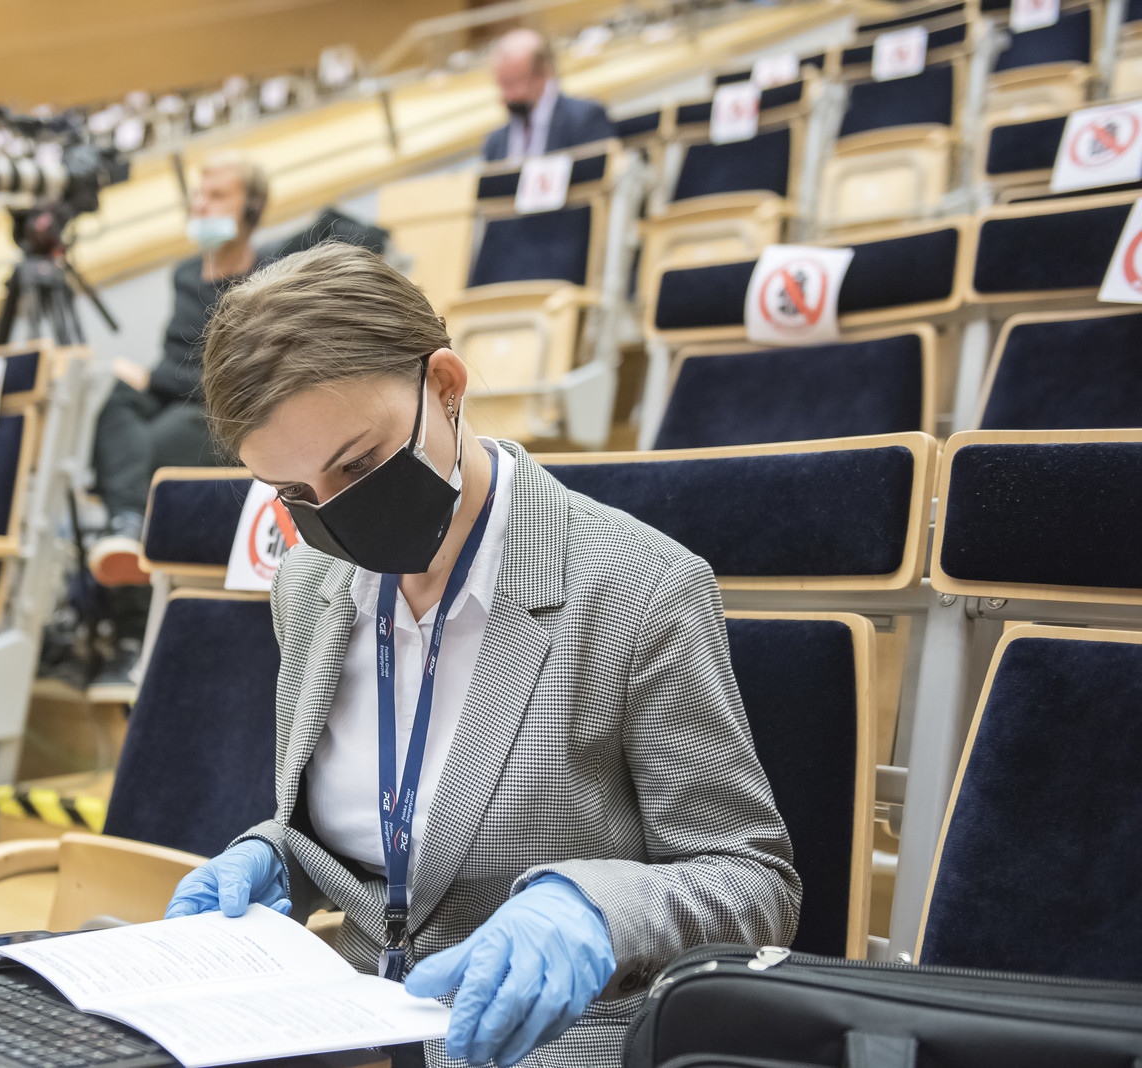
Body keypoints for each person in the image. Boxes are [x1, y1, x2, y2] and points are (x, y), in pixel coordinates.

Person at [165, 243, 799, 1068]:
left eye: (359, 464)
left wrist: (592, 910)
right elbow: (384, 841)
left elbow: (753, 882)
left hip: (542, 1046)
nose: (336, 517)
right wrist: (277, 855)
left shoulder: (640, 587)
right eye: (294, 495)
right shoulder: (309, 584)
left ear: (446, 386)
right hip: (346, 1035)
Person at [85, 152, 272, 692]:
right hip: (172, 395)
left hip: (218, 409)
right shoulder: (186, 273)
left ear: (251, 207)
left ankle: (131, 616)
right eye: (198, 195)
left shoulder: (266, 273)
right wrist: (149, 379)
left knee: (149, 446)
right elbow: (176, 355)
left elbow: (225, 371)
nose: (201, 205)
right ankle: (125, 523)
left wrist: (155, 376)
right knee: (117, 402)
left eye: (216, 196)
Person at [482, 28, 615, 162]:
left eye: (513, 83)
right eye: (502, 85)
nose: (506, 96)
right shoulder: (495, 143)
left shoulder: (585, 119)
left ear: (542, 74)